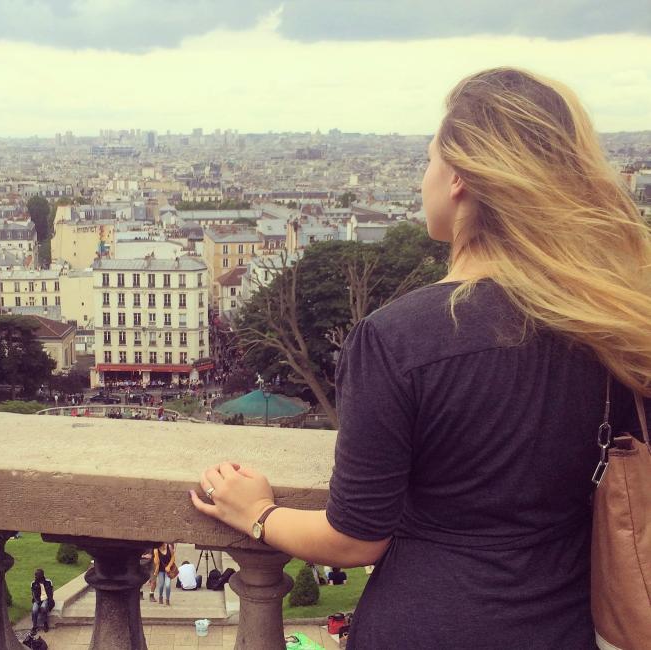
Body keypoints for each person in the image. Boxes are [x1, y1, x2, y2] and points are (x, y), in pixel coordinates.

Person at [191, 68, 651, 649]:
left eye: (430, 159)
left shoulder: (399, 337)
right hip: (557, 627)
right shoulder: (617, 326)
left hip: (423, 624)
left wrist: (257, 512)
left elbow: (356, 539)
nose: (423, 177)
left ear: (458, 177)